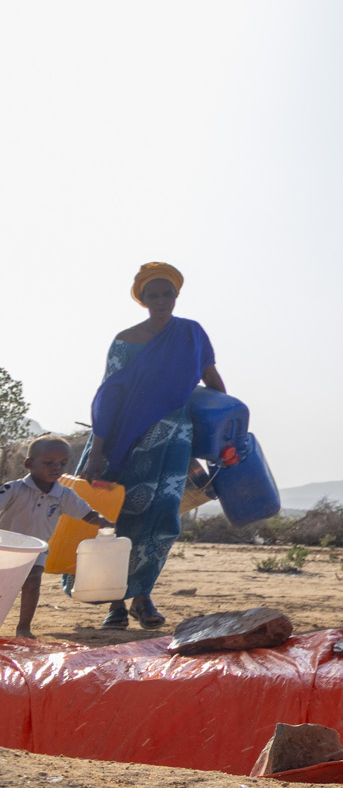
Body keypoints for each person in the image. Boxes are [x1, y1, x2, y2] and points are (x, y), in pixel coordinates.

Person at [80, 263, 227, 630]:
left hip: (174, 443)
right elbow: (108, 397)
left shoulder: (192, 334)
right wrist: (97, 453)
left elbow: (212, 382)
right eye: (153, 295)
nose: (161, 300)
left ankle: (142, 597)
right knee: (118, 519)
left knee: (162, 520)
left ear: (177, 296)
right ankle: (114, 601)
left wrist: (226, 427)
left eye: (167, 294)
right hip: (122, 441)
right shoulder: (125, 341)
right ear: (142, 300)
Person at [0, 436, 113, 636]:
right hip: (7, 548)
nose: (56, 468)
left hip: (37, 548)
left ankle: (24, 627)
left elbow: (86, 513)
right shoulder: (14, 489)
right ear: (29, 463)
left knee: (33, 581)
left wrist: (104, 522)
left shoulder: (65, 495)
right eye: (49, 463)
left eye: (62, 463)